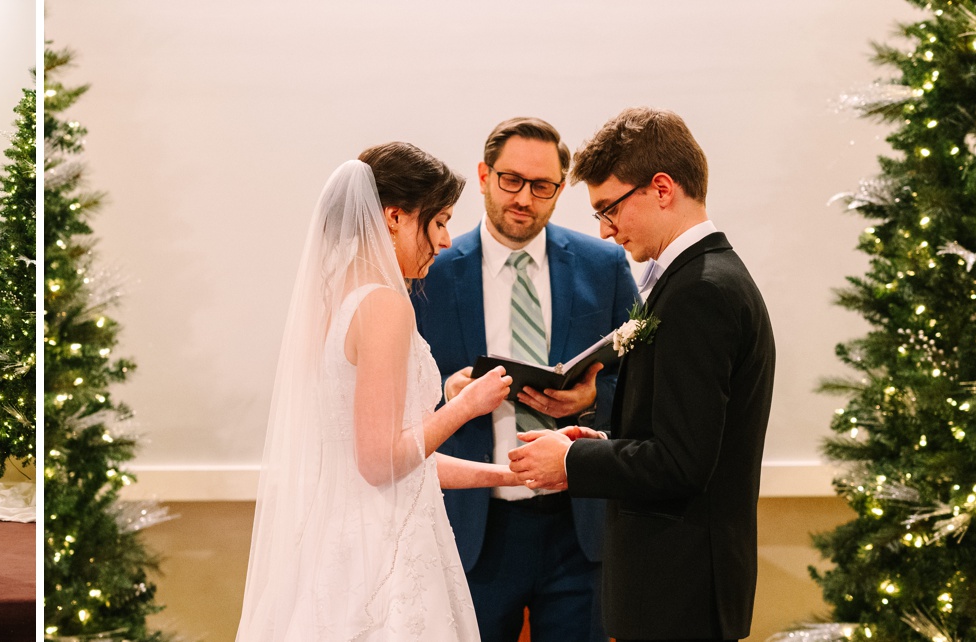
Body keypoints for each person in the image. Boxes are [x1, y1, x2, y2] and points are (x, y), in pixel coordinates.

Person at [506, 107, 776, 641]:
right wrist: (602, 438)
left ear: (661, 188)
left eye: (609, 209)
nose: (606, 232)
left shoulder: (700, 291)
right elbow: (683, 434)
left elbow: (681, 463)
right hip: (677, 584)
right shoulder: (698, 277)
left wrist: (572, 459)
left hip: (679, 588)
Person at [236, 142, 520, 641]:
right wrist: (465, 407)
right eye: (439, 221)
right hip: (383, 553)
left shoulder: (334, 296)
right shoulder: (386, 304)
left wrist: (510, 473)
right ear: (394, 217)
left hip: (341, 542)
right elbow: (379, 460)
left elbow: (395, 467)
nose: (447, 240)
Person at [412, 118, 639, 642]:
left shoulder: (603, 264)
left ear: (561, 189)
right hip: (473, 526)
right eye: (511, 180)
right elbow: (393, 393)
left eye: (543, 187)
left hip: (577, 523)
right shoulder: (433, 270)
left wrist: (590, 401)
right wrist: (449, 394)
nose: (524, 199)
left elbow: (643, 379)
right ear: (485, 175)